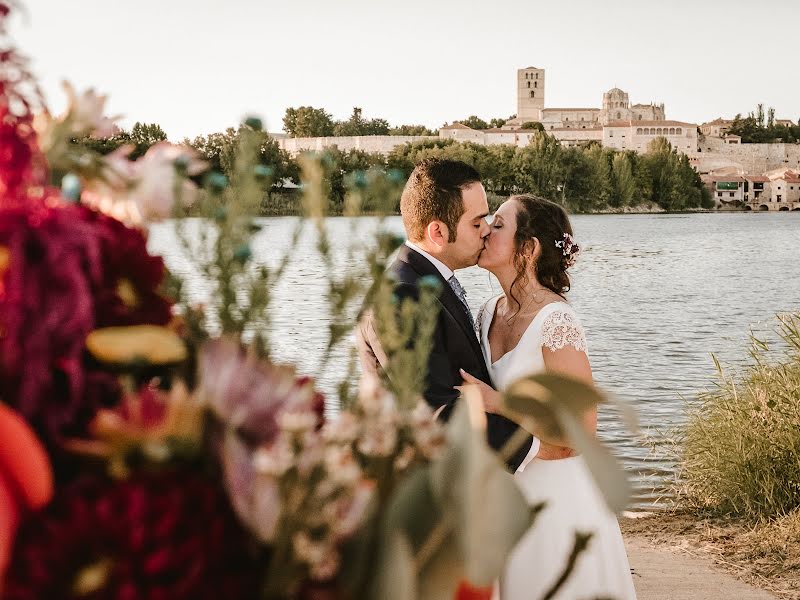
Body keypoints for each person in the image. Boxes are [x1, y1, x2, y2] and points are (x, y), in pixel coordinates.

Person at [459, 195, 637, 599]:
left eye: (499, 224)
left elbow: (582, 430)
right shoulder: (488, 311)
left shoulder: (556, 321)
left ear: (529, 247)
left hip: (558, 499)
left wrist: (497, 403)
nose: (486, 229)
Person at [355, 158, 533, 470]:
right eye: (476, 223)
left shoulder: (424, 281)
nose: (487, 230)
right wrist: (539, 445)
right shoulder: (400, 297)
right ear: (437, 232)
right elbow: (438, 414)